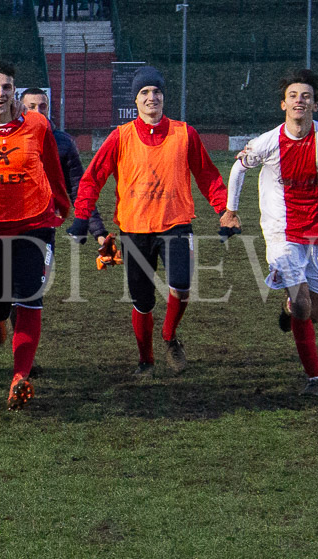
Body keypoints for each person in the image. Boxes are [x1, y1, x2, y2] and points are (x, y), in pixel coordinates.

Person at [70, 65, 232, 378]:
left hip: (176, 224)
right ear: (135, 100)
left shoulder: (185, 133)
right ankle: (146, 361)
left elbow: (207, 175)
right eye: (144, 92)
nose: (151, 97)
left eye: (156, 91)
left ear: (163, 96)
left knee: (181, 285)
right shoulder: (121, 136)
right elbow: (92, 178)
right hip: (134, 229)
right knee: (142, 301)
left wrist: (224, 210)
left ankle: (170, 336)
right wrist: (81, 216)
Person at [222, 69, 318, 396]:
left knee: (315, 312)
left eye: (306, 96)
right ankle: (315, 379)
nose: (300, 101)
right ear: (283, 104)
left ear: (316, 105)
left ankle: (289, 308)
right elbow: (239, 168)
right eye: (293, 96)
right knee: (303, 307)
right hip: (281, 234)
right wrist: (231, 211)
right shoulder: (267, 142)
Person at [0, 86, 107, 348]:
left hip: (39, 227)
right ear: (19, 106)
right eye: (31, 106)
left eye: (43, 106)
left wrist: (96, 230)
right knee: (1, 298)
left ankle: (22, 360)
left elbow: (78, 187)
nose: (37, 111)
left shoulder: (62, 142)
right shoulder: (6, 136)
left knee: (29, 294)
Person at [0, 60, 71, 410]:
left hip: (34, 225)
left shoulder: (36, 125)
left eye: (6, 87)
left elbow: (53, 167)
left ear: (14, 91)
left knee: (29, 300)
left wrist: (62, 206)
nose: (0, 93)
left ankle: (19, 378)